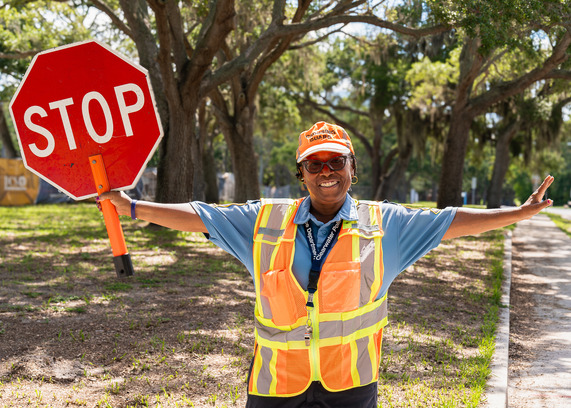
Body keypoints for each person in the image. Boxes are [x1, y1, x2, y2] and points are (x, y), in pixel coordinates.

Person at [99, 121, 553, 408]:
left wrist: (517, 213)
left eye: (335, 161)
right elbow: (200, 214)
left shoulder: (385, 224)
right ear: (302, 174)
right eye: (314, 164)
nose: (325, 171)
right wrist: (132, 208)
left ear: (352, 167)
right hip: (275, 387)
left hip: (350, 387)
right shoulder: (263, 221)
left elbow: (451, 220)